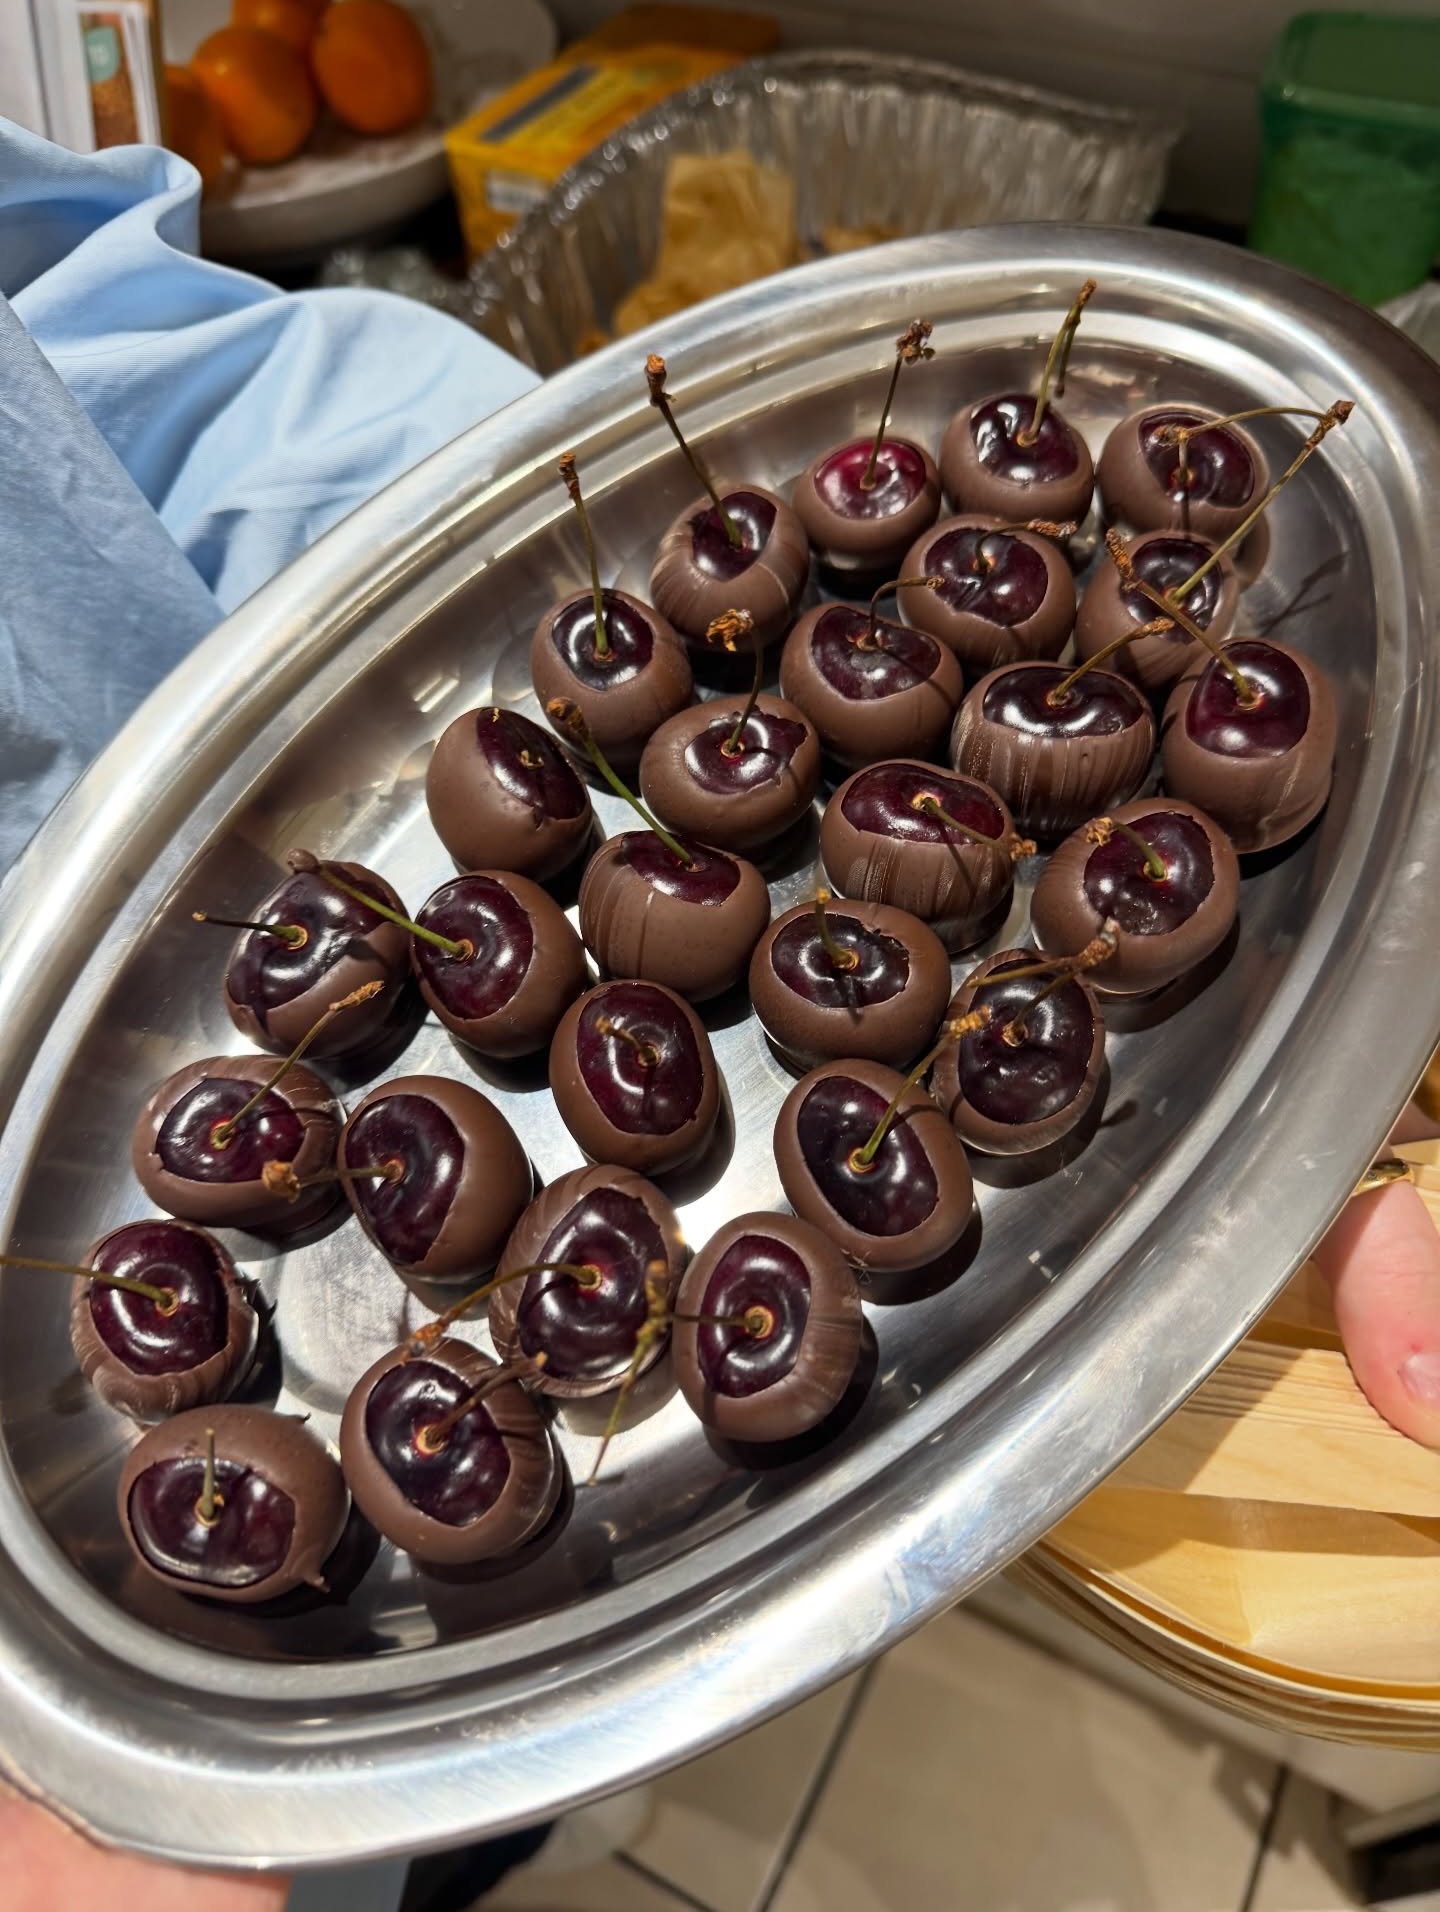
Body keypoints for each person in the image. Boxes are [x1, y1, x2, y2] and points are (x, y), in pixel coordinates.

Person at [3, 117, 1439, 1911]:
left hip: (428, 894)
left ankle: (521, 1829)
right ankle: (502, 1838)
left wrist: (1307, 1060)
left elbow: (116, 357)